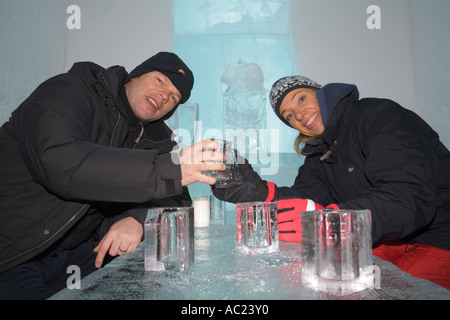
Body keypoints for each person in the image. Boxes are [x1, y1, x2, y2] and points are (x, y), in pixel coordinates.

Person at [0, 52, 225, 299]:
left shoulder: (156, 137)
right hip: (15, 252)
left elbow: (177, 196)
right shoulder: (69, 90)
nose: (164, 96)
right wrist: (170, 169)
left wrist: (137, 219)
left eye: (174, 97)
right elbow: (62, 164)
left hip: (81, 253)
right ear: (135, 75)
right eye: (161, 81)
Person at [214, 75, 450, 290]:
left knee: (397, 292)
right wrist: (257, 191)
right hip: (385, 239)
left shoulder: (379, 115)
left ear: (321, 92)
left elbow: (408, 197)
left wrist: (332, 223)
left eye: (301, 98)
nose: (298, 114)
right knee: (313, 281)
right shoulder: (320, 155)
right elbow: (306, 198)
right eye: (288, 116)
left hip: (438, 237)